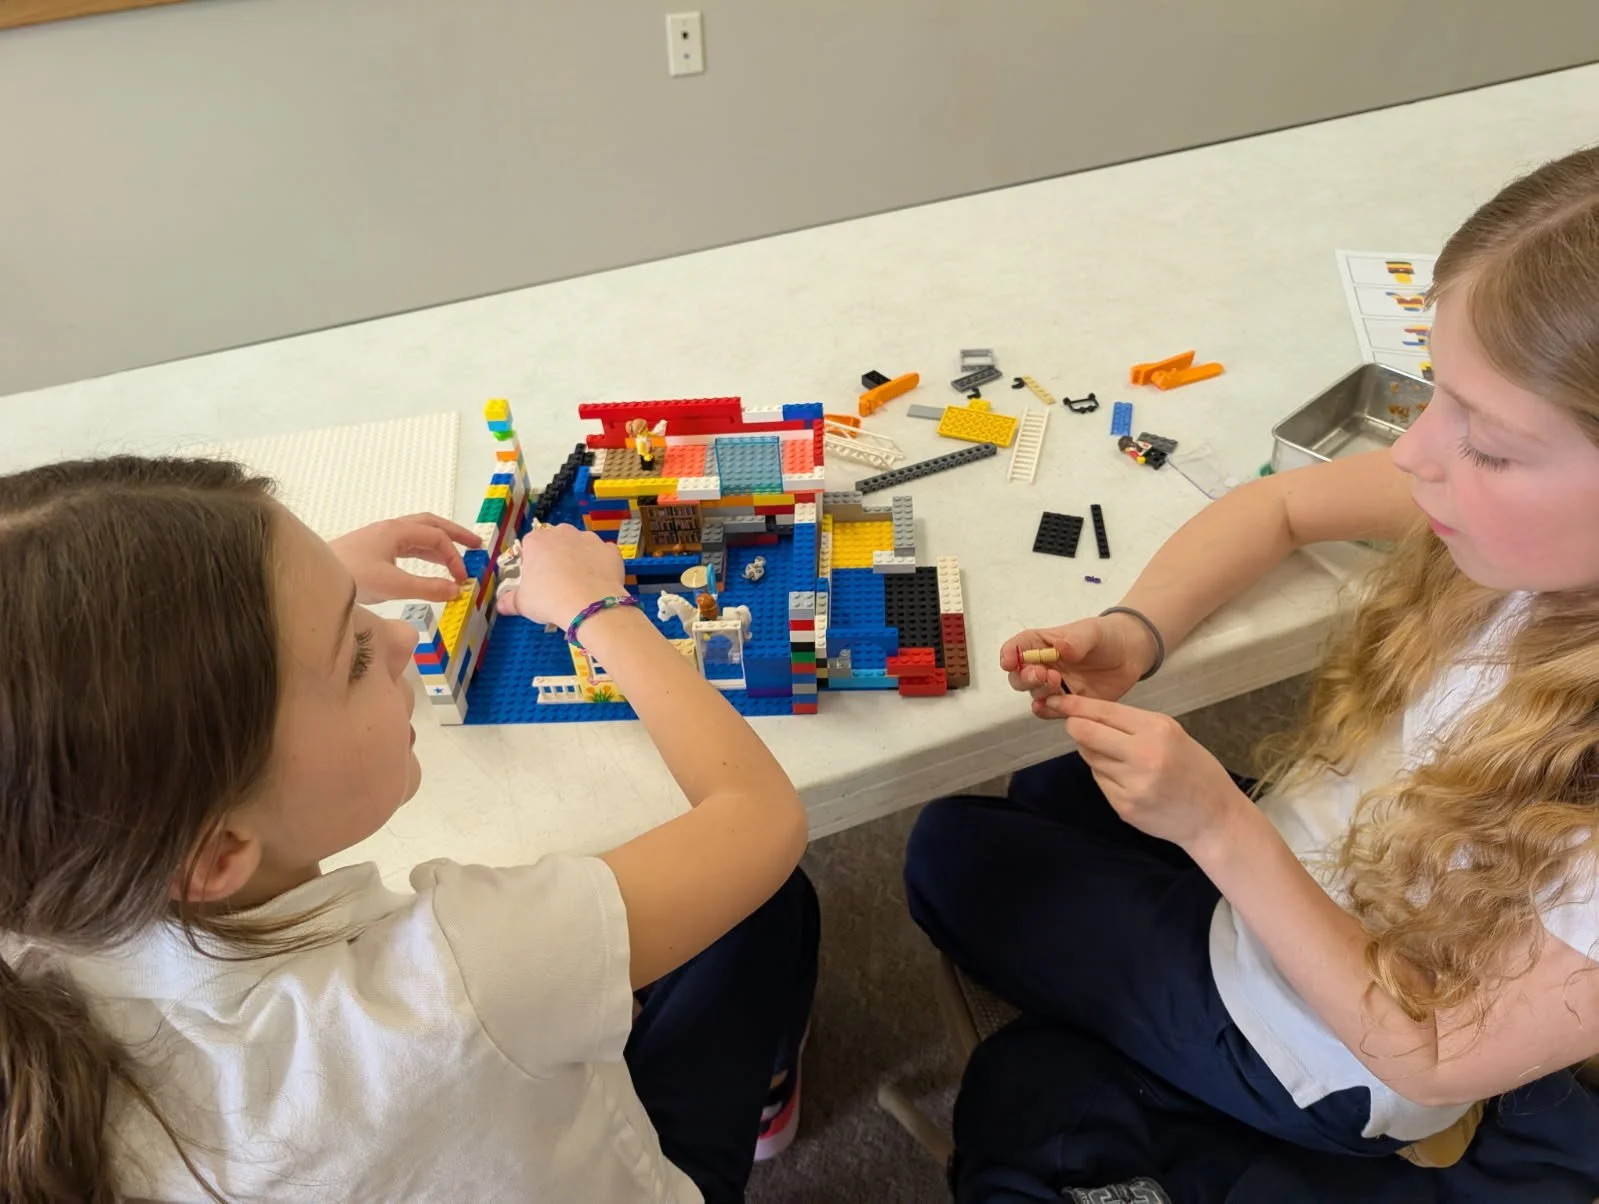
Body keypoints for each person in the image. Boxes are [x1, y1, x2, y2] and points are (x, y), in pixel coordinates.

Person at [905, 146, 1599, 1202]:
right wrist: (1136, 629)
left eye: (1488, 443)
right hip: (1325, 864)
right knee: (1048, 789)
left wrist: (1216, 825)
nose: (1415, 456)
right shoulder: (1532, 529)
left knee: (946, 850)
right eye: (1431, 395)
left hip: (1339, 1045)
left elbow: (1432, 1054)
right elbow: (1276, 506)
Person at [0, 456, 817, 1203]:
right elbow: (758, 817)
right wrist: (596, 608)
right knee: (768, 912)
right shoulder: (455, 978)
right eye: (355, 655)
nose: (397, 637)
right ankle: (764, 1110)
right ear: (218, 852)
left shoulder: (38, 938)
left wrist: (307, 602)